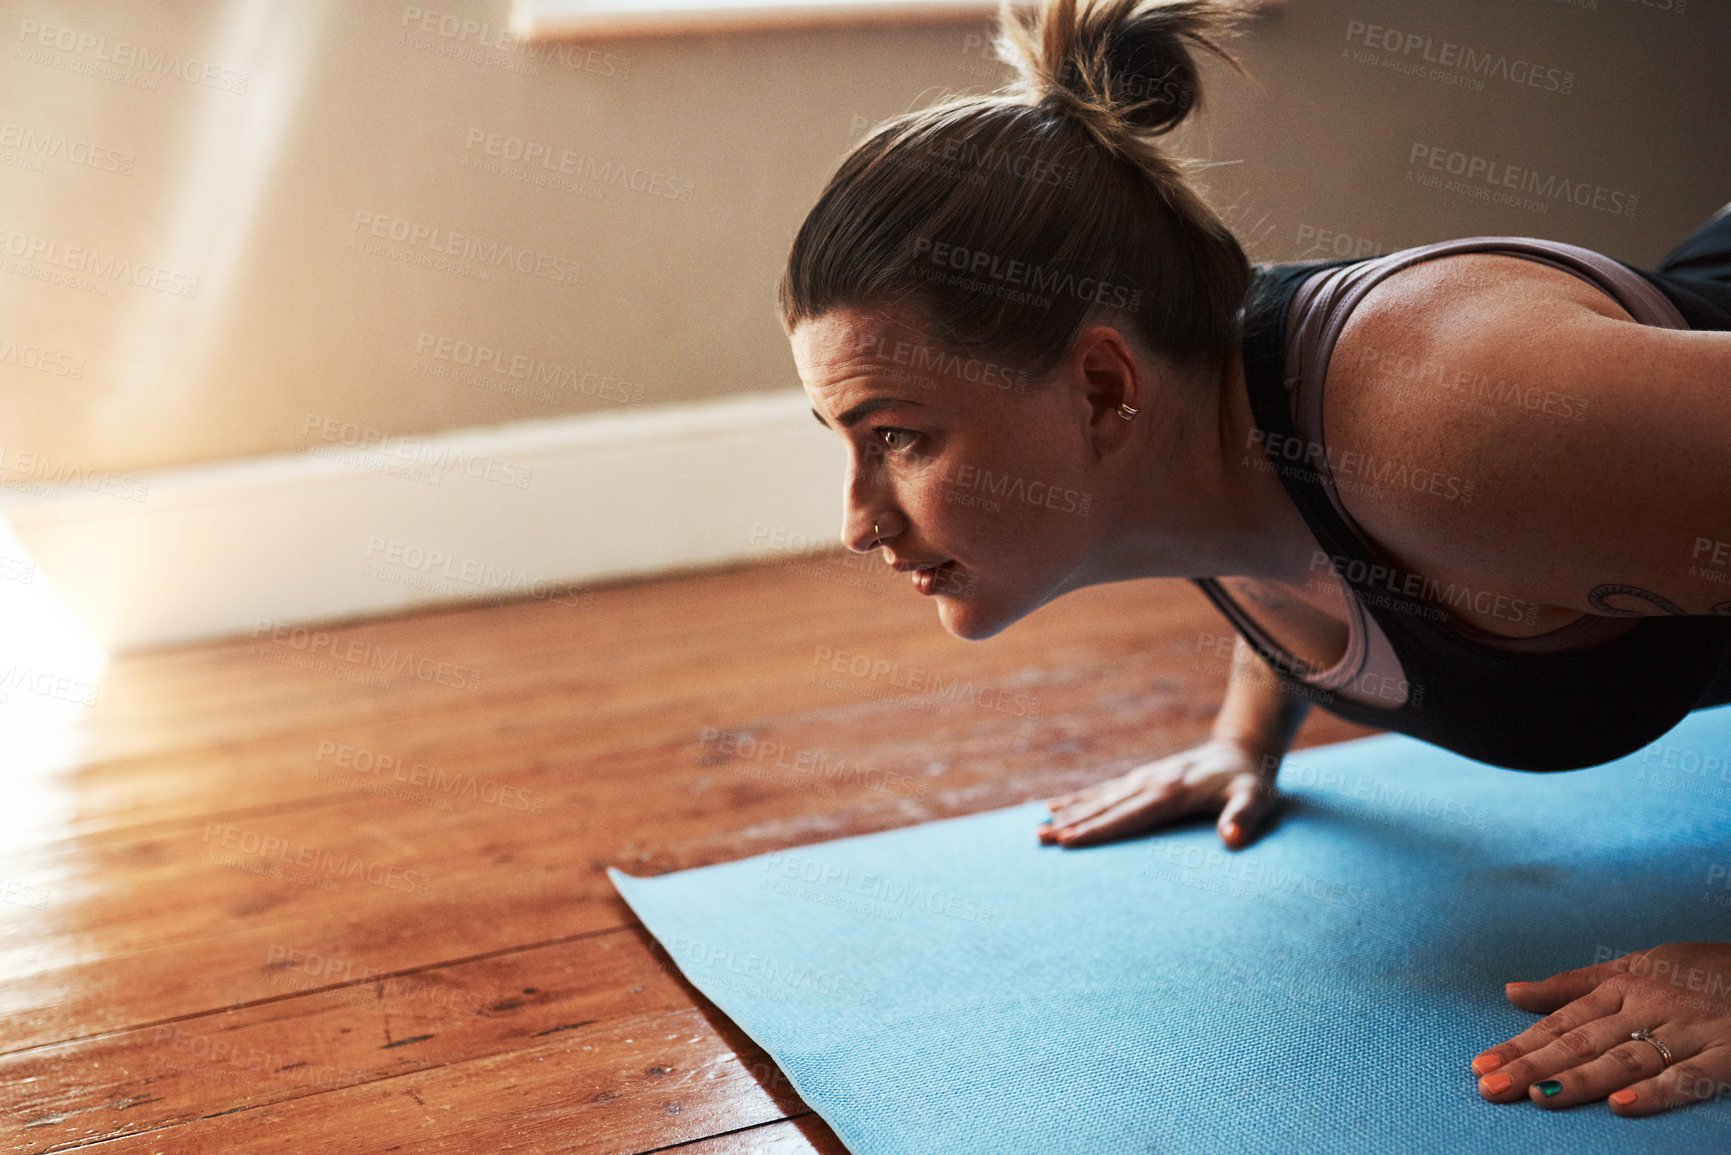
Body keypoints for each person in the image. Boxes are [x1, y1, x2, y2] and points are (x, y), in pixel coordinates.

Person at [780, 0, 1731, 1122]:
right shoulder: (1188, 436)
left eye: (898, 437)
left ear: (1101, 388)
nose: (858, 522)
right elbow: (1292, 525)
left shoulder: (1455, 432)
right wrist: (1245, 738)